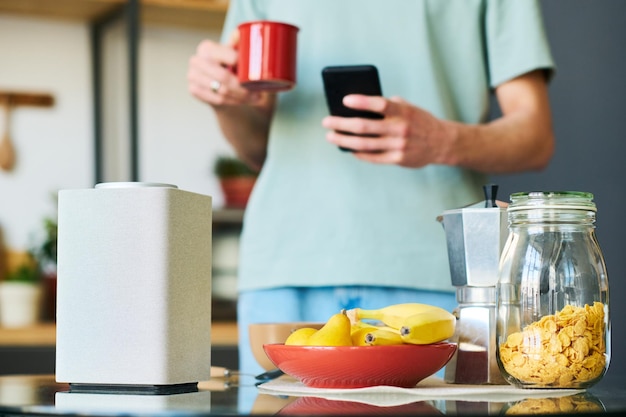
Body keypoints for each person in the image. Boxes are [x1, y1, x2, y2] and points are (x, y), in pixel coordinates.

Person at [188, 0, 555, 377]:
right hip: (286, 270)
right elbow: (257, 149)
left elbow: (536, 135)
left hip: (437, 277)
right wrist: (224, 102)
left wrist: (442, 139)